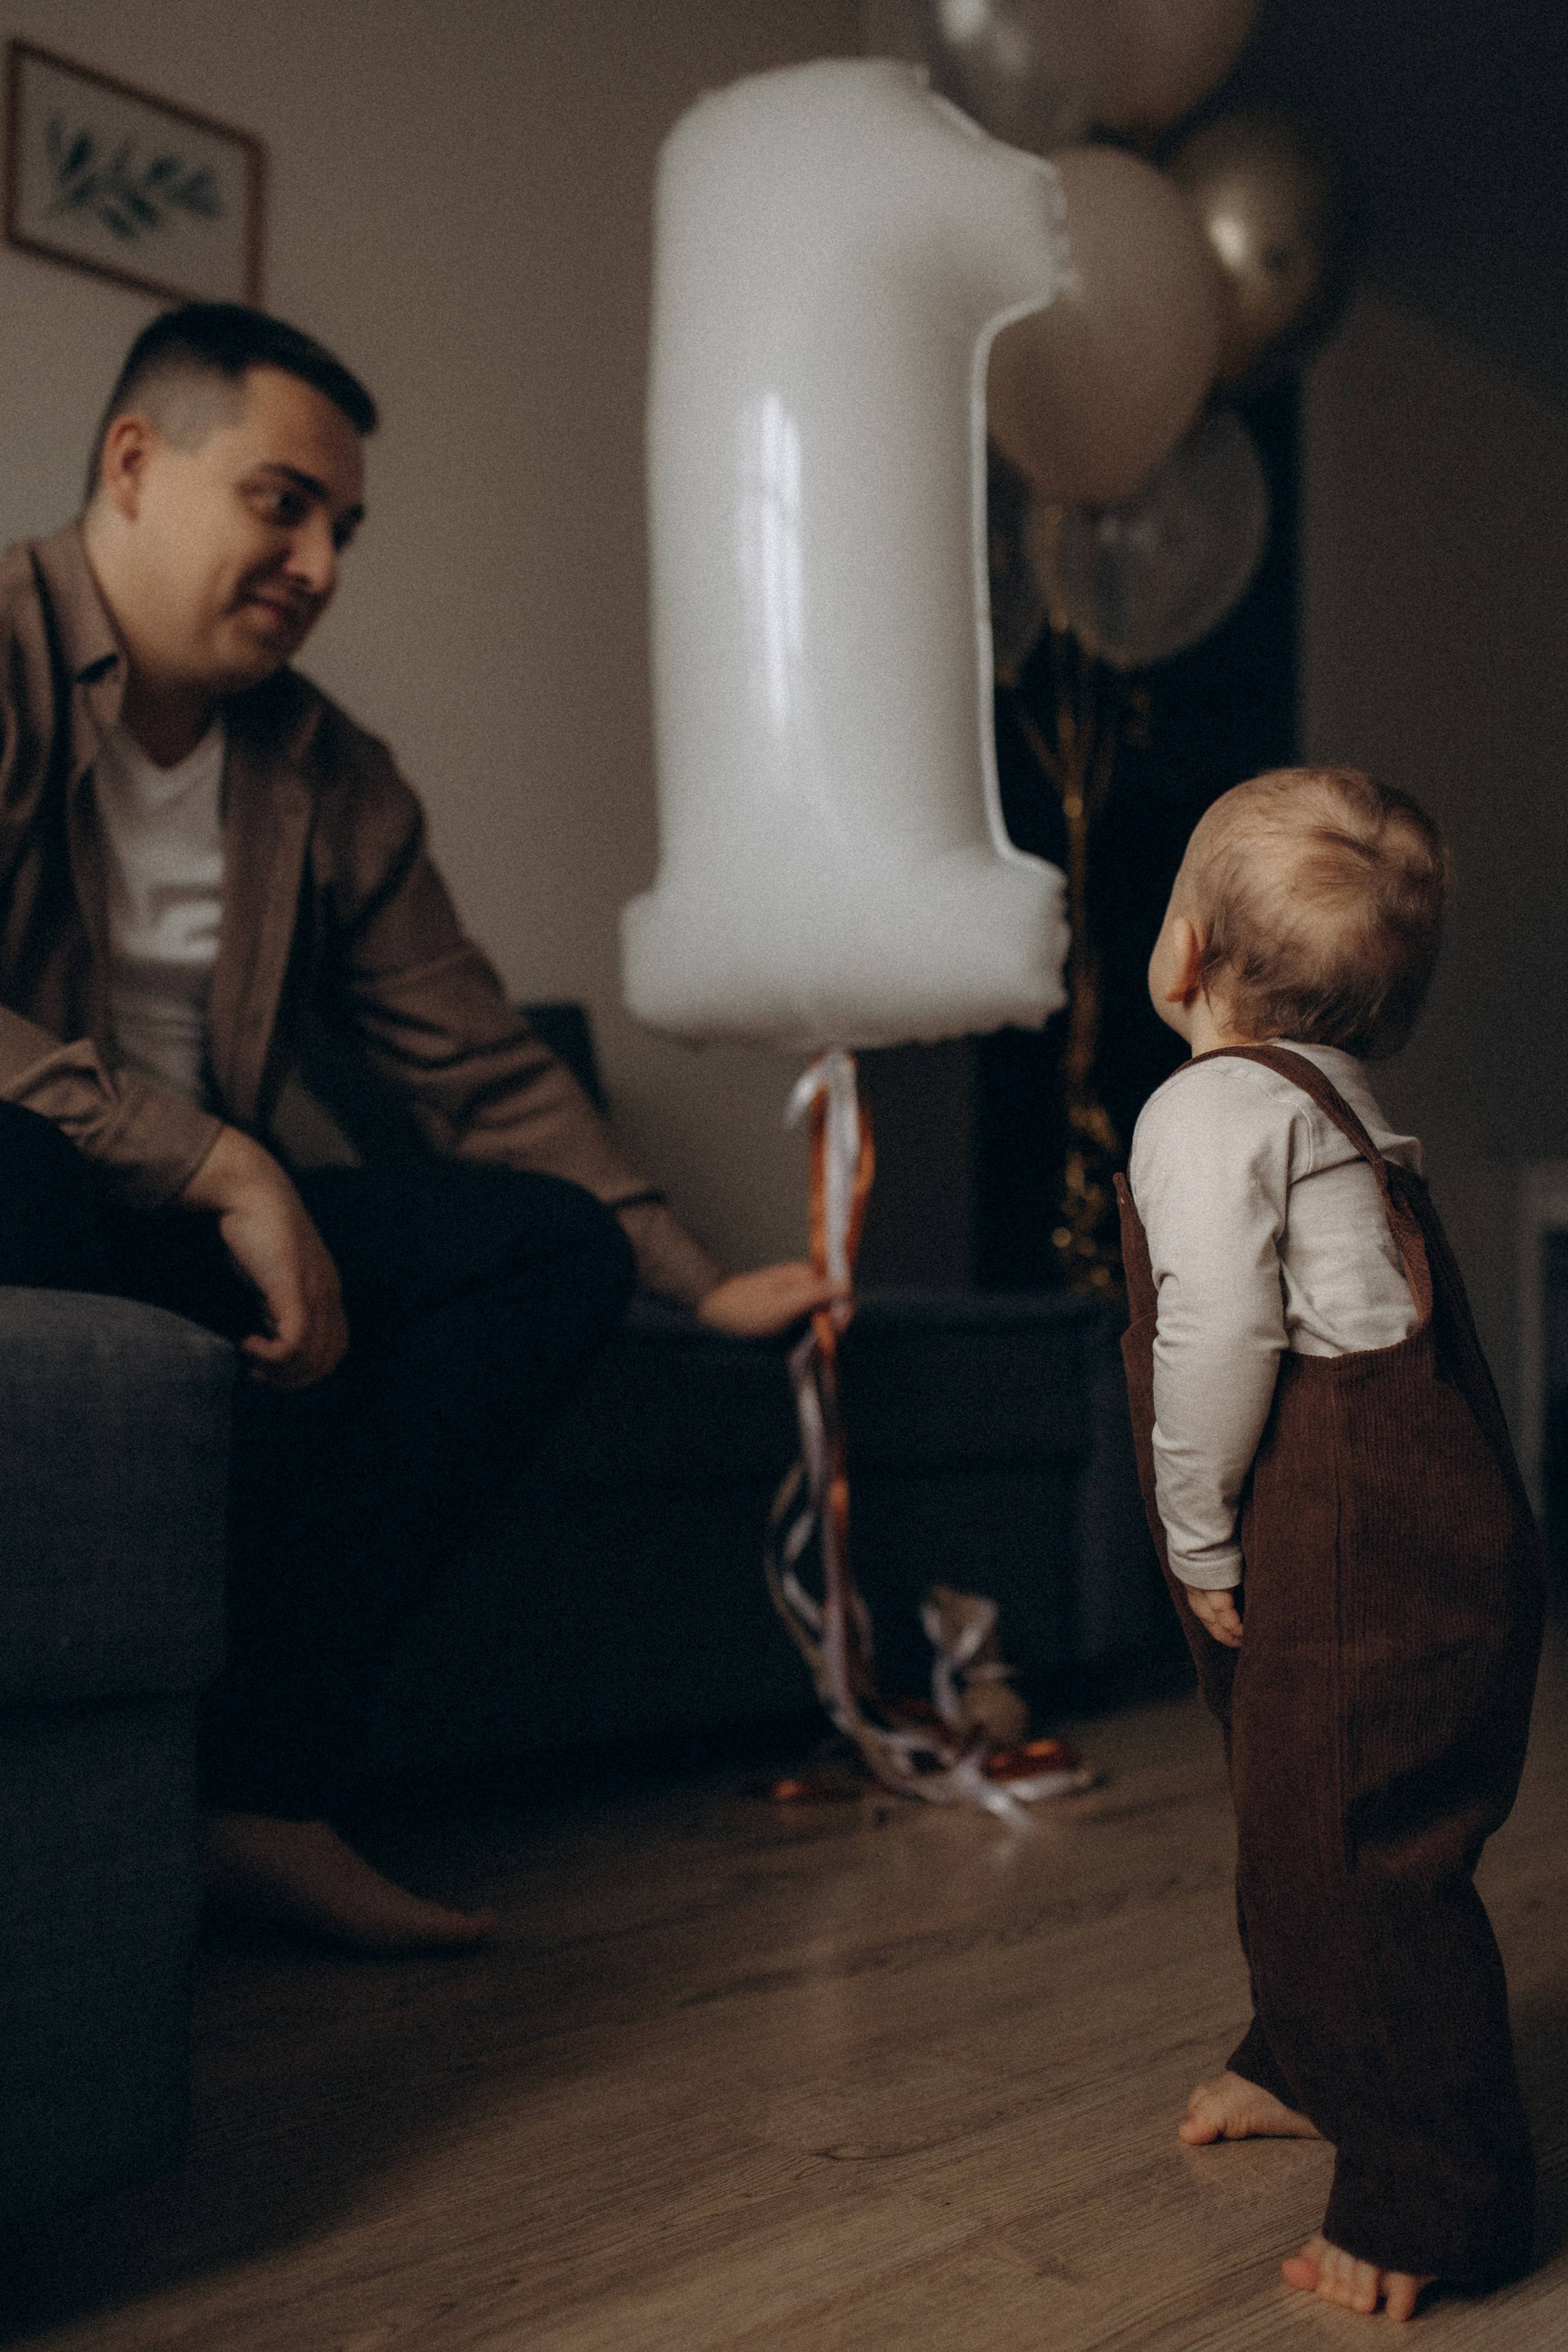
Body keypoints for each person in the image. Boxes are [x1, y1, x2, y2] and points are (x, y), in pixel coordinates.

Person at [0, 302, 841, 1953]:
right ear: (134, 464)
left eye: (345, 531)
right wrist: (217, 1157)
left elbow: (484, 1072)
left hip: (199, 1251)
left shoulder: (330, 771)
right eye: (282, 503)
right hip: (31, 1213)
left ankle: (259, 1795)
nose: (319, 562)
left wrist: (698, 1277)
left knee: (545, 1251)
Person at [1115, 767, 1544, 2321]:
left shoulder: (1205, 1107)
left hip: (1345, 1540)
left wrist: (1191, 1527)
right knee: (1304, 1818)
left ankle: (1442, 2191)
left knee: (1352, 1855)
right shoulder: (1347, 1104)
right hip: (1439, 1533)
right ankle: (1303, 2054)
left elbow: (1221, 1334)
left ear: (1179, 958)